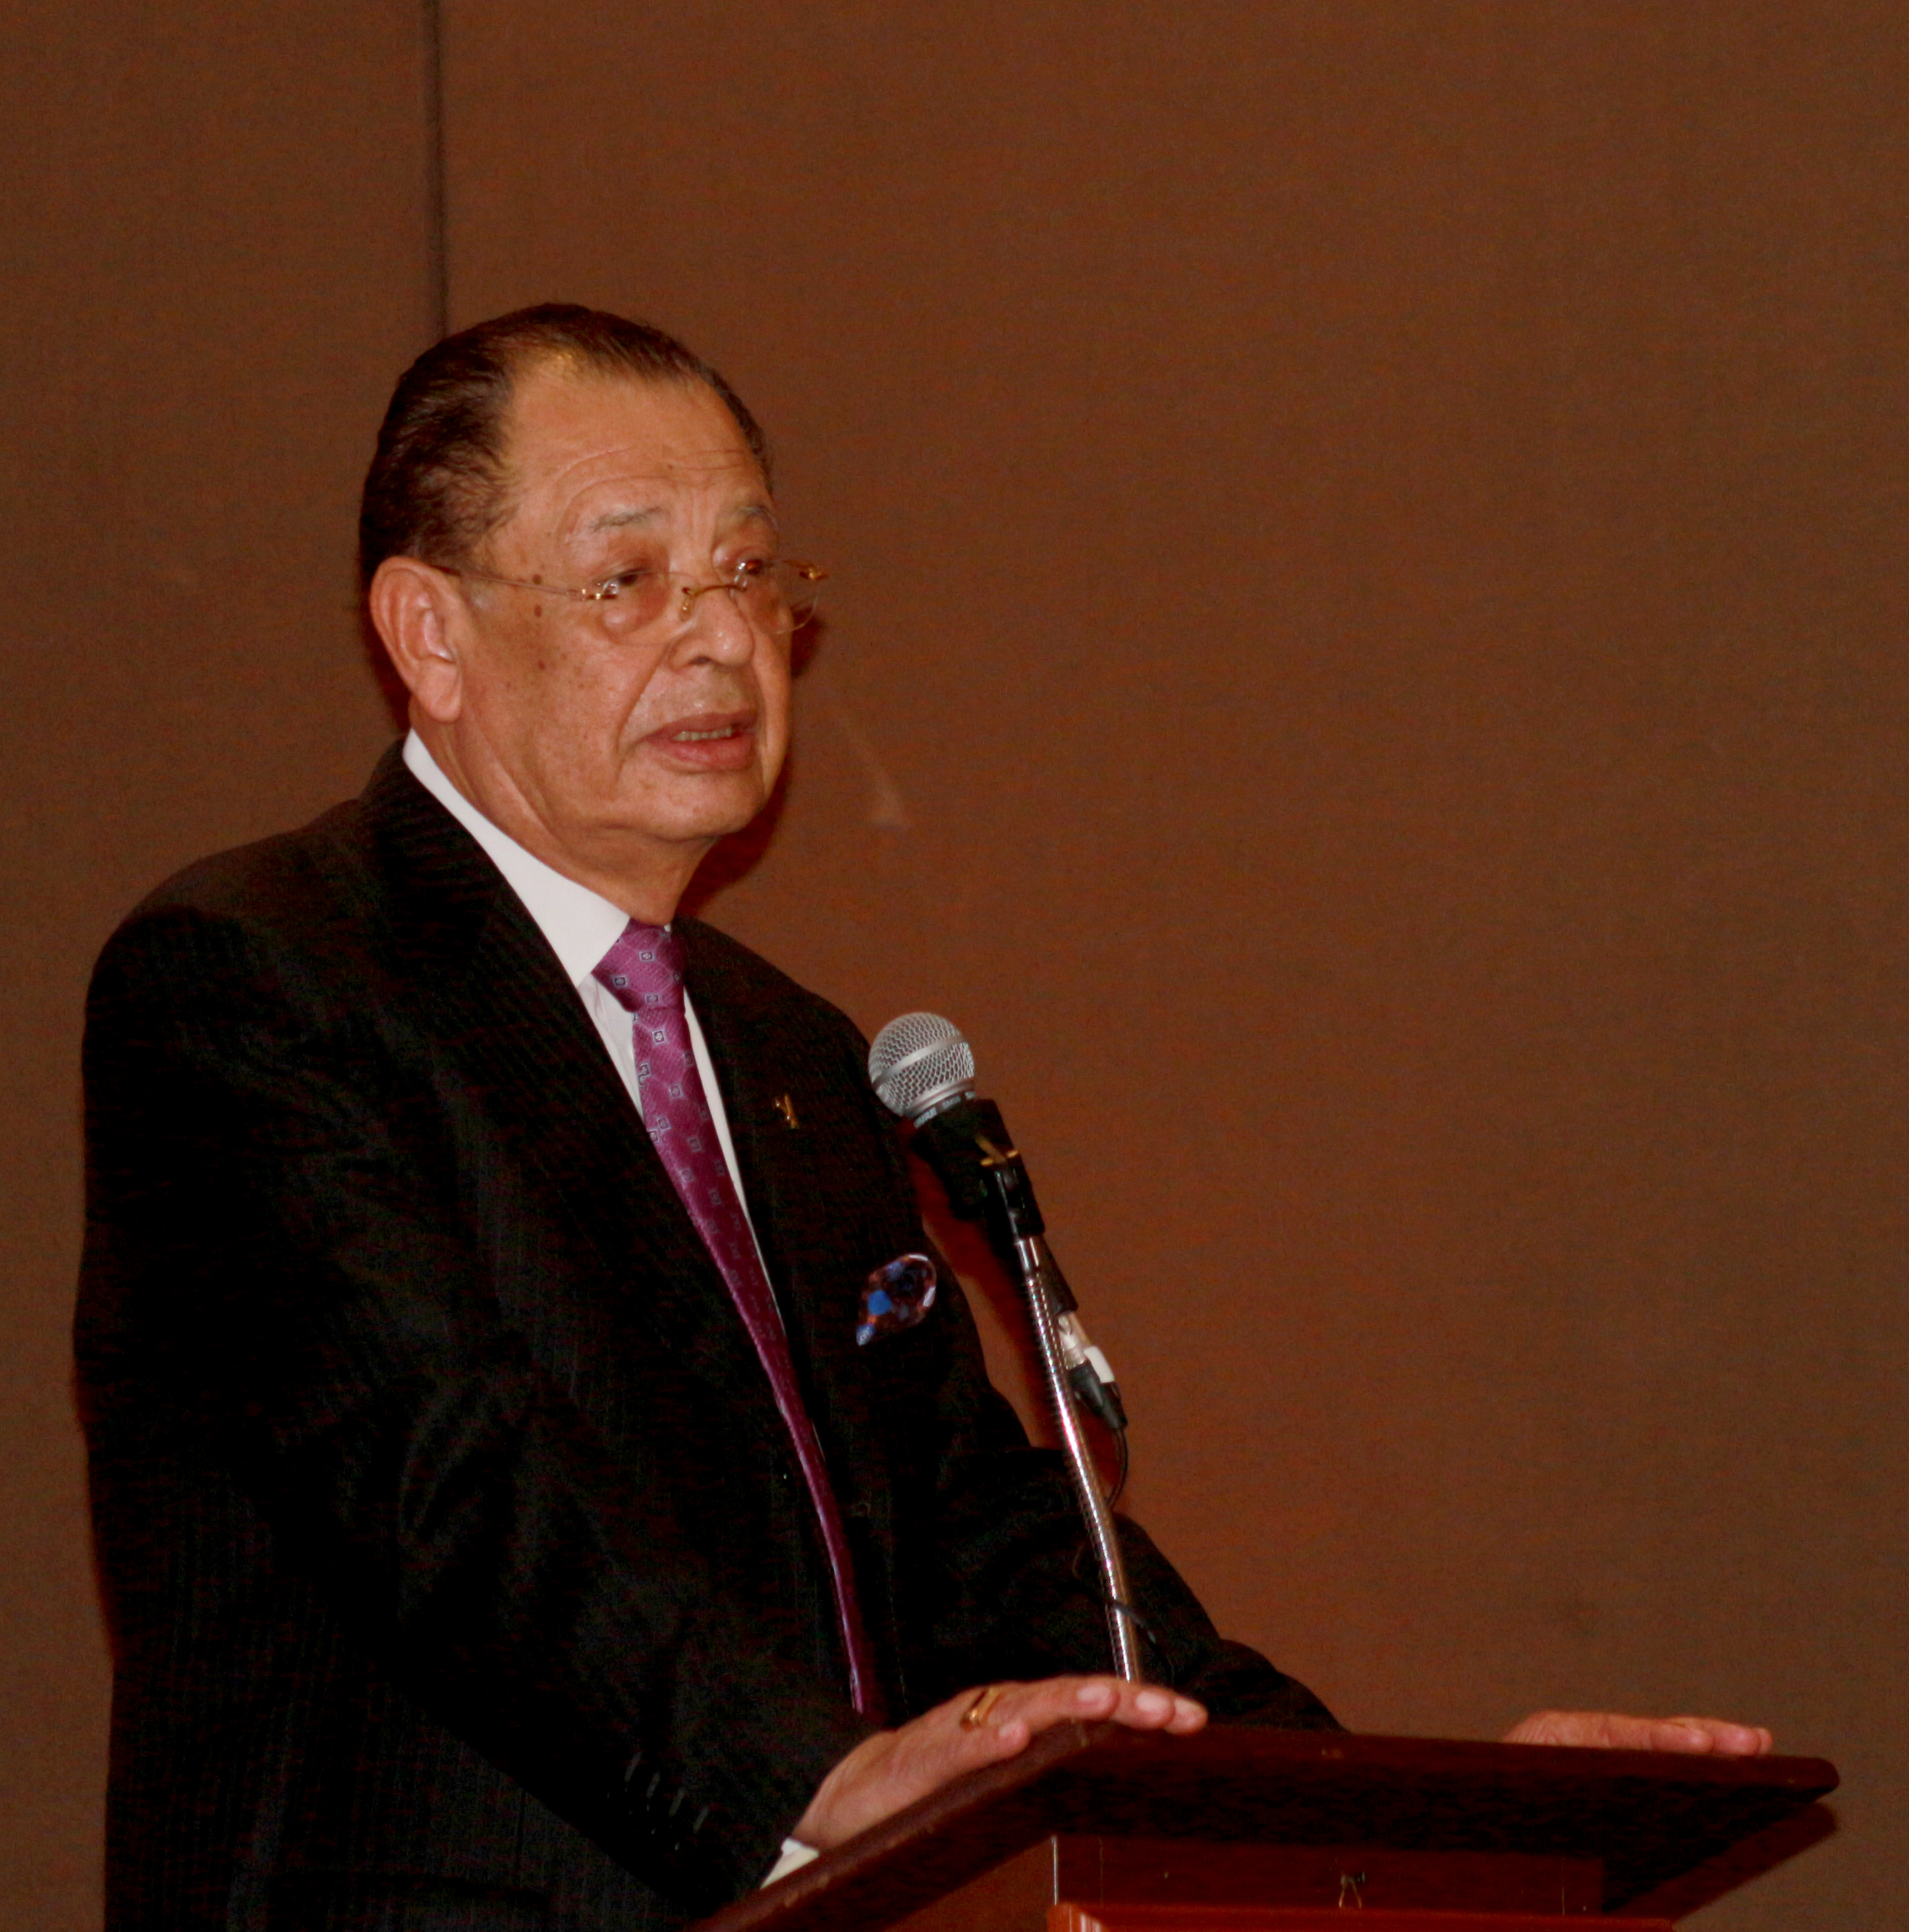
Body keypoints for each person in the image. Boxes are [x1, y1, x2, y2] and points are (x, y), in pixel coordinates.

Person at [75, 306, 1769, 1932]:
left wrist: (1379, 1813)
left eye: (750, 572)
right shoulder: (260, 979)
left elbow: (981, 1538)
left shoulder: (791, 1056)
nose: (721, 637)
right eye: (629, 577)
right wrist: (820, 1782)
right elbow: (454, 1488)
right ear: (429, 634)